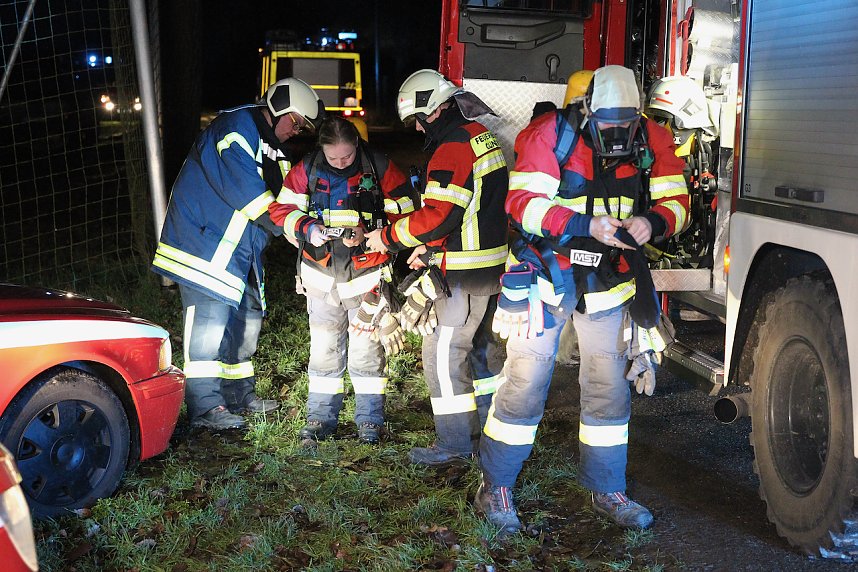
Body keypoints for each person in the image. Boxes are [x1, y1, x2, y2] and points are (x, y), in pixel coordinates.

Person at [475, 65, 689, 534]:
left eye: (625, 127)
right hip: (548, 274)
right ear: (587, 110)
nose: (617, 136)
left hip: (609, 278)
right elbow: (522, 204)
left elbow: (676, 198)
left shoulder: (652, 136)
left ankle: (607, 488)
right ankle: (494, 487)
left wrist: (652, 223)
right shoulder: (547, 136)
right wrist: (583, 226)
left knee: (608, 386)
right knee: (527, 380)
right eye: (608, 126)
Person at [152, 78, 324, 430]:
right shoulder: (235, 130)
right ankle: (205, 409)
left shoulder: (272, 144)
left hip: (240, 251)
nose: (296, 131)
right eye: (296, 122)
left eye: (303, 127)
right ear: (277, 107)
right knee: (209, 330)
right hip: (205, 247)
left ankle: (239, 396)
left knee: (247, 322)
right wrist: (299, 229)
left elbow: (289, 197)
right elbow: (254, 199)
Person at [365, 69, 508, 467]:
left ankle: (456, 445)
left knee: (442, 354)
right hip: (487, 266)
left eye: (416, 119)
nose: (415, 127)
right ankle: (493, 434)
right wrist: (428, 251)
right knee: (480, 352)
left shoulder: (452, 147)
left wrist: (391, 238)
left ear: (431, 109)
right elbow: (471, 211)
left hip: (462, 273)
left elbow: (440, 215)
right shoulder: (479, 134)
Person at [268, 115, 415, 445]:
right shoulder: (307, 168)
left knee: (366, 351)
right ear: (322, 150)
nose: (339, 163)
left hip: (367, 279)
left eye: (347, 157)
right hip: (320, 278)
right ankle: (320, 418)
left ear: (358, 147)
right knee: (323, 350)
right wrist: (309, 229)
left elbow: (407, 212)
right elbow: (282, 210)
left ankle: (370, 421)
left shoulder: (379, 168)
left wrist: (373, 233)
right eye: (333, 158)